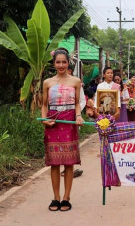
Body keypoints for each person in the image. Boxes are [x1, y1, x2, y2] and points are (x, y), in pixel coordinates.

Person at [41, 48, 83, 211]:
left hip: (69, 122)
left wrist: (78, 116)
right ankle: (56, 197)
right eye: (58, 62)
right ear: (54, 63)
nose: (61, 65)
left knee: (69, 161)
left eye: (64, 62)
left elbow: (78, 103)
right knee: (55, 162)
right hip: (53, 123)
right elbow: (44, 105)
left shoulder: (75, 81)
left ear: (68, 63)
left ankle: (66, 197)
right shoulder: (47, 83)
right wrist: (45, 120)